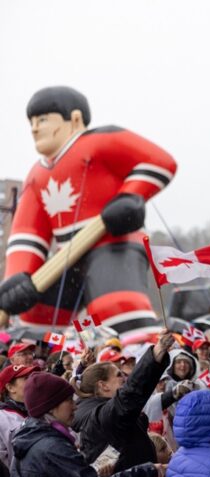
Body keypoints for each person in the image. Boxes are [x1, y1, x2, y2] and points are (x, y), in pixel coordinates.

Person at [0, 86, 176, 336]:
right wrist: (18, 276)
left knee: (116, 305)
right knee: (35, 313)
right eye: (32, 122)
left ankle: (141, 350)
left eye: (43, 120)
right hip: (66, 257)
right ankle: (42, 357)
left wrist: (129, 196)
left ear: (74, 119)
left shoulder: (100, 141)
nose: (35, 129)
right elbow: (26, 235)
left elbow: (160, 162)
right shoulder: (37, 176)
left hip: (112, 244)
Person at [11, 372, 165, 477]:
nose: (75, 406)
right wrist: (148, 470)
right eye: (68, 400)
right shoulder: (51, 447)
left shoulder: (29, 438)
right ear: (50, 407)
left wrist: (91, 474)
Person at [71, 330, 175, 477]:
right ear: (103, 386)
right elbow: (131, 394)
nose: (125, 378)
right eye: (119, 375)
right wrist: (156, 353)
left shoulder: (97, 412)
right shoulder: (101, 416)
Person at [0, 364, 38, 477]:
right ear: (10, 388)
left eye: (33, 377)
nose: (33, 381)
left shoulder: (41, 411)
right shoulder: (2, 418)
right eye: (26, 378)